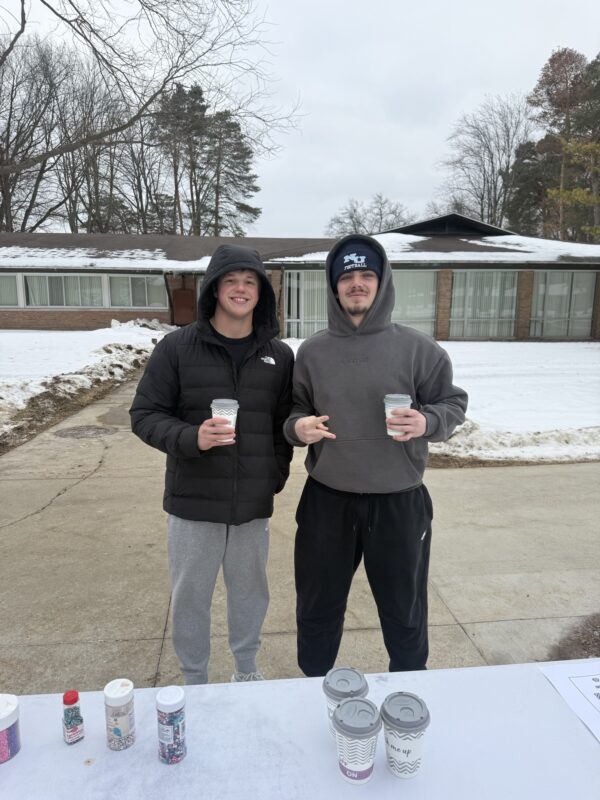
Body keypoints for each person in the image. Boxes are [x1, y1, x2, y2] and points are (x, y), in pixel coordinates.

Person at [284, 233, 468, 677]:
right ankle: (313, 689)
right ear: (333, 286)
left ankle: (409, 692)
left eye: (367, 274)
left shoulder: (418, 349)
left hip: (399, 500)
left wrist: (427, 422)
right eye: (347, 276)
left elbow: (452, 403)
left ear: (382, 282)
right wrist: (297, 427)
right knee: (317, 608)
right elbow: (294, 410)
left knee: (404, 611)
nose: (357, 284)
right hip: (328, 500)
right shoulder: (312, 352)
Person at [130, 244, 294, 685]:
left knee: (250, 594)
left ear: (261, 293)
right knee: (190, 598)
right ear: (214, 290)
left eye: (250, 281)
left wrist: (273, 477)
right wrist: (191, 437)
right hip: (193, 505)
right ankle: (195, 678)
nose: (241, 289)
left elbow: (284, 425)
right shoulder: (177, 348)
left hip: (250, 508)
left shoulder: (279, 356)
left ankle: (246, 669)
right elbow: (144, 416)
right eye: (231, 280)